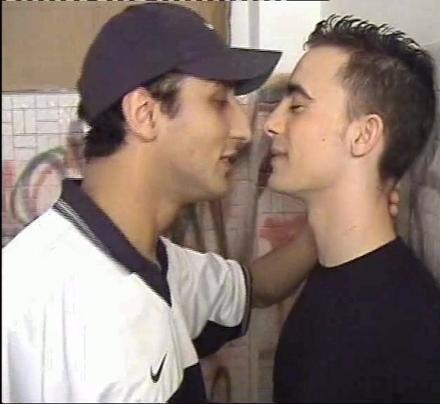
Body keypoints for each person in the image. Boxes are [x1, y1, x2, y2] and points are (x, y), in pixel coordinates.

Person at [2, 4, 399, 403]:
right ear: (145, 113)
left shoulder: (157, 265)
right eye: (218, 101)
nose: (245, 130)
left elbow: (256, 288)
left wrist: (333, 220)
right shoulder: (27, 300)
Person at [265, 14, 440, 403]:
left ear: (363, 135)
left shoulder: (423, 338)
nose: (272, 124)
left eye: (296, 106)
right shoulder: (330, 278)